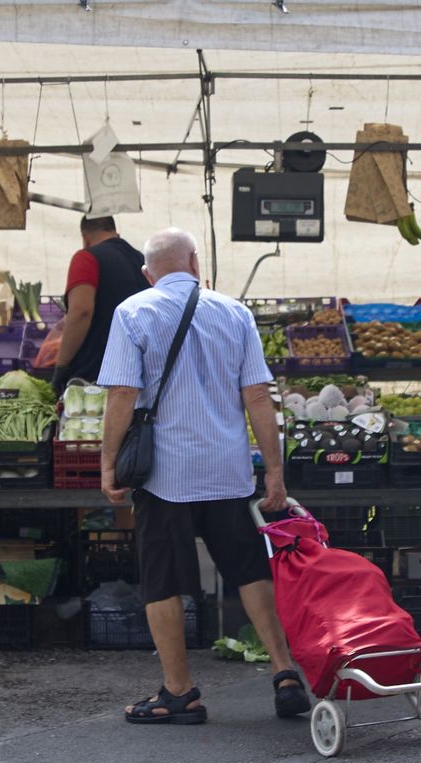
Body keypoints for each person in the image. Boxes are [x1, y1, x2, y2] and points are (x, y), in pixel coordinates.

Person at [96, 227, 310, 725]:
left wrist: (107, 464)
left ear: (147, 274)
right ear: (195, 263)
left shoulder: (133, 312)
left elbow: (122, 395)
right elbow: (258, 397)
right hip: (227, 470)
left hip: (163, 475)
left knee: (162, 580)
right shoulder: (234, 313)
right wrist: (274, 473)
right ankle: (284, 672)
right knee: (249, 571)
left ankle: (179, 692)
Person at [51, 216, 149, 393]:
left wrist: (62, 366)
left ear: (85, 237)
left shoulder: (86, 258)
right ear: (114, 230)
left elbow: (81, 312)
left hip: (95, 376)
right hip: (137, 372)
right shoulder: (141, 259)